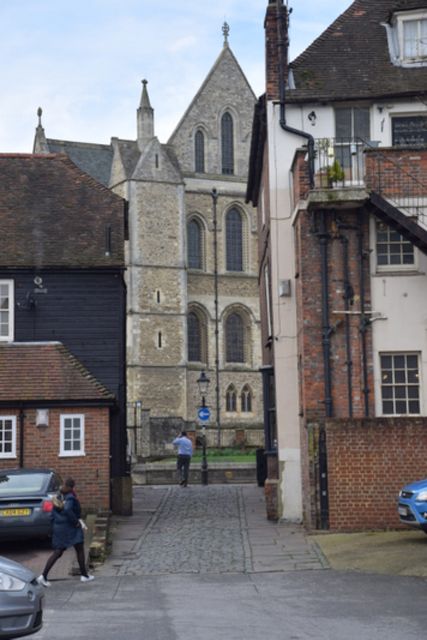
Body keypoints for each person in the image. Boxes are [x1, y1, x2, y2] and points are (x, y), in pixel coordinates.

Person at [37, 477, 94, 587]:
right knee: (77, 549)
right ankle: (84, 575)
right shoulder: (70, 497)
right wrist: (76, 522)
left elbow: (53, 514)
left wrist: (54, 523)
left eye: (64, 485)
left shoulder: (58, 497)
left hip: (59, 527)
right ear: (71, 487)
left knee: (62, 550)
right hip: (70, 527)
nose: (63, 487)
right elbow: (68, 510)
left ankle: (44, 576)